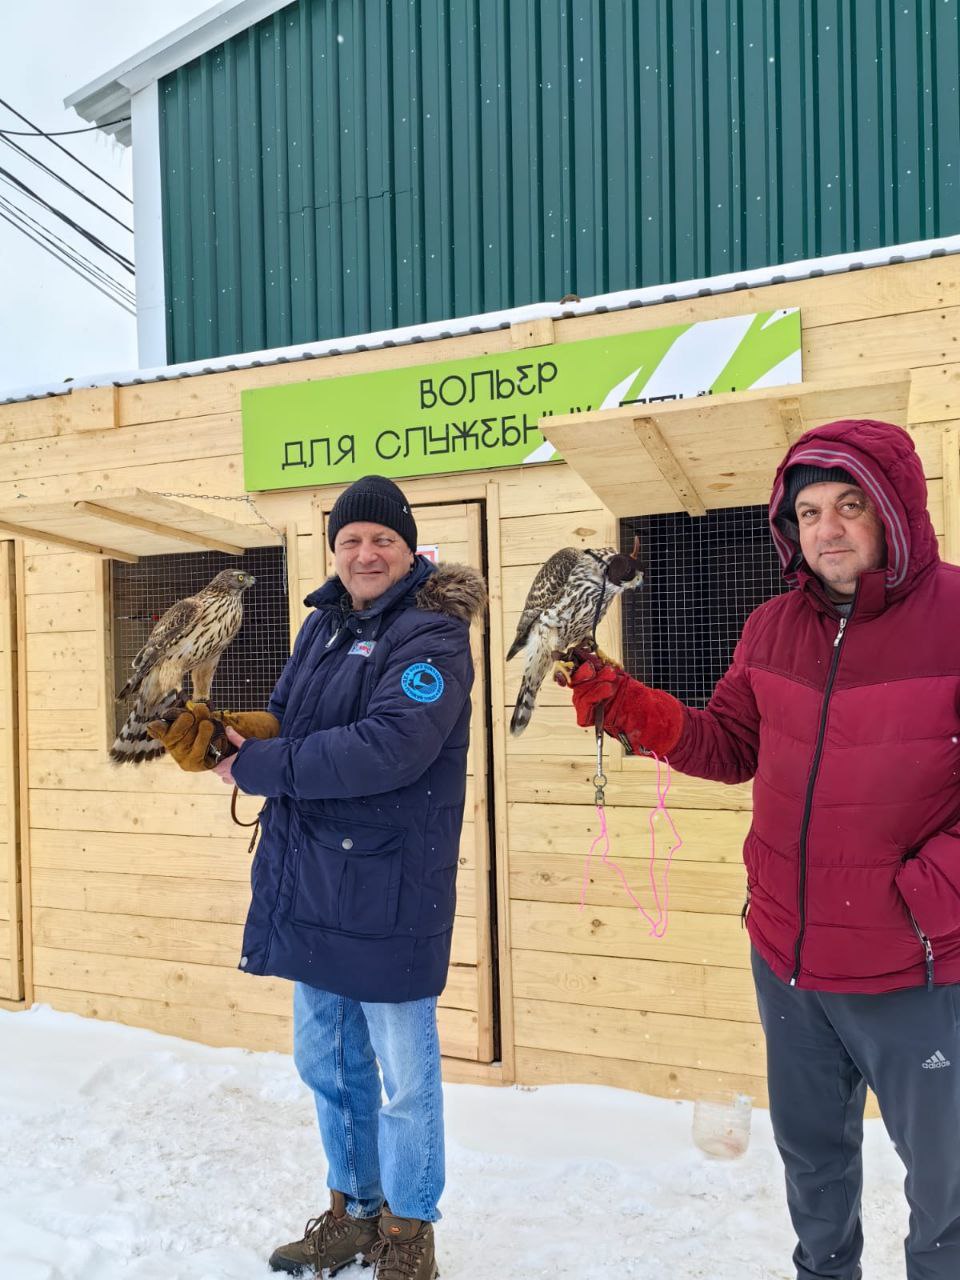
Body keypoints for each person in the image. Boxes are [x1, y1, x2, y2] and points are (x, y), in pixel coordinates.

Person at [566, 418, 960, 1280]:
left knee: (949, 1190)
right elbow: (730, 747)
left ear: (895, 508)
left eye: (849, 505)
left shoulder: (957, 618)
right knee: (814, 1164)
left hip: (917, 970)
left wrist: (922, 900)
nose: (828, 529)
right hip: (785, 954)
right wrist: (629, 707)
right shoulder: (773, 626)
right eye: (809, 511)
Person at [150, 475, 485, 1280]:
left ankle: (409, 1237)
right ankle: (355, 1214)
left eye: (382, 540)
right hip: (313, 879)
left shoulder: (431, 635)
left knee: (404, 1079)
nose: (365, 554)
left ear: (408, 551)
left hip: (389, 888)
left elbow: (387, 748)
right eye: (350, 540)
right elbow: (293, 719)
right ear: (334, 551)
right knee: (328, 1065)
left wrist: (260, 763)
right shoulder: (324, 626)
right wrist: (237, 734)